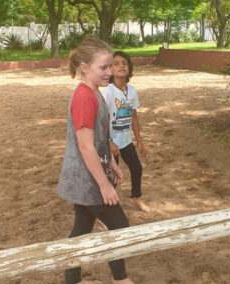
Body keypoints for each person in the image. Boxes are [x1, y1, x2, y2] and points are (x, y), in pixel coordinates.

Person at [57, 38, 134, 284]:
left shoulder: (94, 93)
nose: (110, 72)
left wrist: (110, 160)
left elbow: (98, 138)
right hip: (87, 181)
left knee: (81, 229)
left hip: (89, 177)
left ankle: (73, 280)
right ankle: (119, 278)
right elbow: (85, 145)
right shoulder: (84, 98)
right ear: (84, 67)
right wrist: (104, 184)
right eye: (104, 68)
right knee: (119, 227)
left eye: (111, 66)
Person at [102, 51, 149, 212]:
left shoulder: (132, 91)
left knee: (137, 168)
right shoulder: (107, 92)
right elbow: (101, 121)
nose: (121, 65)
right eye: (116, 63)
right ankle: (104, 210)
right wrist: (109, 142)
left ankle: (136, 197)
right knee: (112, 178)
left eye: (124, 63)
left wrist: (139, 141)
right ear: (110, 70)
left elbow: (134, 118)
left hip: (125, 141)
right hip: (111, 143)